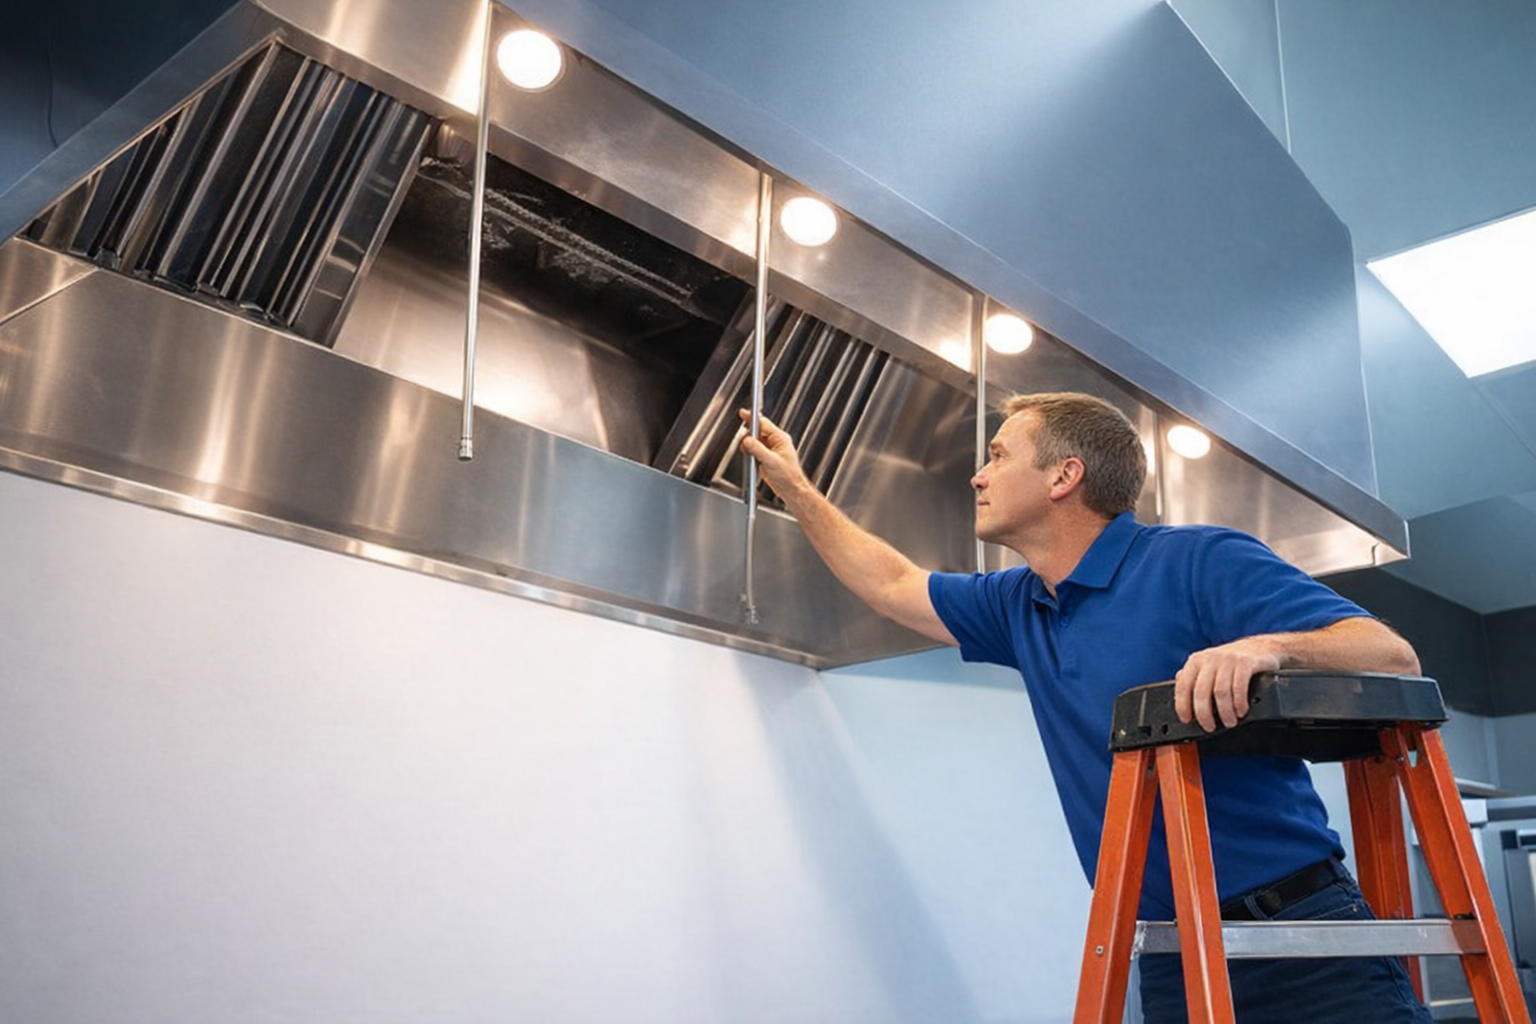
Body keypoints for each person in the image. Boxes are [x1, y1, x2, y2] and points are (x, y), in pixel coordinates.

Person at [739, 391, 1431, 1024]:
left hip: (1300, 940)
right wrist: (795, 488)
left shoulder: (1198, 560)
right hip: (1168, 956)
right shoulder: (1018, 602)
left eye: (998, 455)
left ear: (1063, 477)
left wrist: (1266, 648)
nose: (978, 475)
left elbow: (1389, 654)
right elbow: (893, 585)